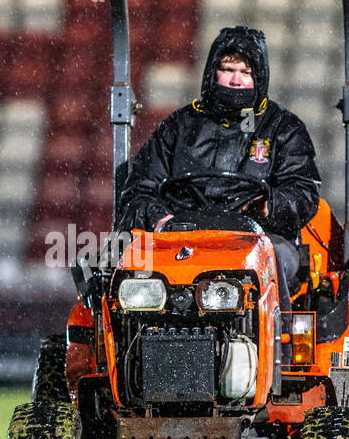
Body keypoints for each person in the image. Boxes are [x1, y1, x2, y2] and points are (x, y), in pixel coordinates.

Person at [117, 25, 321, 314]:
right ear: (212, 71)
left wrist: (269, 206)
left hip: (259, 236)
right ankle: (132, 346)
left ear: (259, 77)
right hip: (182, 236)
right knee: (127, 263)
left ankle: (279, 349)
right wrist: (160, 218)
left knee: (271, 259)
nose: (236, 80)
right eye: (228, 69)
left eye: (246, 72)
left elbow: (303, 192)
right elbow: (139, 189)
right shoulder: (179, 126)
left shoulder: (282, 128)